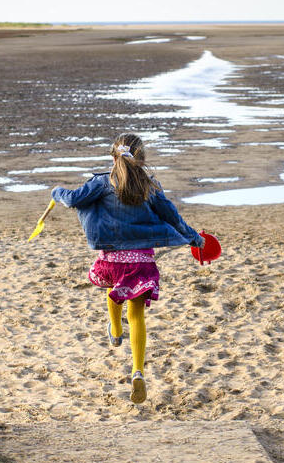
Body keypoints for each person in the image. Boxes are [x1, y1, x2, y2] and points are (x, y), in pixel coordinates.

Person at [51, 132, 205, 405]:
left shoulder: (102, 182)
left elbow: (73, 199)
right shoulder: (150, 186)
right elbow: (172, 215)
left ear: (113, 157)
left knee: (113, 288)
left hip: (112, 258)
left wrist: (56, 193)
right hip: (141, 259)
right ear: (142, 159)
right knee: (137, 314)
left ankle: (114, 329)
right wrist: (194, 236)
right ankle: (138, 371)